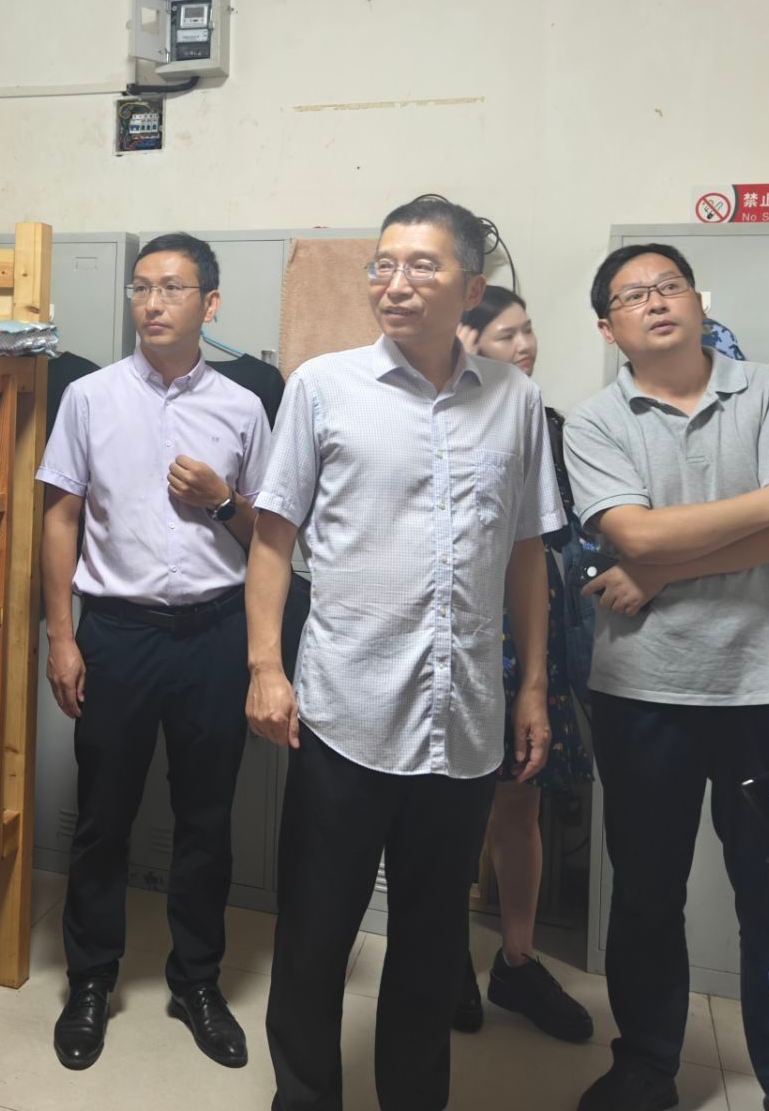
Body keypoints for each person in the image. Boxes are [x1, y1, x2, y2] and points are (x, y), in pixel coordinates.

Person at [249, 194, 563, 1111]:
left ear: (470, 286)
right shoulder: (323, 386)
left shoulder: (516, 400)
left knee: (430, 947)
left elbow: (526, 550)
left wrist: (533, 686)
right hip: (343, 713)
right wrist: (266, 667)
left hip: (460, 723)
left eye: (422, 266)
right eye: (383, 265)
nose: (396, 283)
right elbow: (272, 537)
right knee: (315, 937)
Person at [562, 243, 769, 1111]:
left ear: (697, 300)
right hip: (643, 688)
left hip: (766, 687)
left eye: (668, 285)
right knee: (646, 893)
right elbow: (633, 535)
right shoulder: (596, 421)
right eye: (632, 296)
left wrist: (661, 568)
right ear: (608, 328)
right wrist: (765, 504)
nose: (655, 301)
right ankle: (646, 1065)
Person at [37, 233, 274, 1073]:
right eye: (141, 287)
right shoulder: (90, 398)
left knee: (207, 819)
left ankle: (196, 981)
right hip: (118, 633)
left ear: (210, 304)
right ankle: (90, 980)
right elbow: (61, 515)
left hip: (213, 634)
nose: (152, 302)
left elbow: (269, 536)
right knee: (104, 817)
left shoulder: (244, 408)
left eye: (172, 288)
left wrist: (222, 500)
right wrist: (61, 634)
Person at [453, 288, 595, 1044]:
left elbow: (570, 537)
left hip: (533, 634)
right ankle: (446, 954)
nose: (526, 344)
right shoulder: (440, 422)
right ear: (468, 342)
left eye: (528, 331)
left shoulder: (549, 425)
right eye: (507, 334)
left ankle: (516, 959)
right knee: (450, 809)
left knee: (520, 803)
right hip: (462, 634)